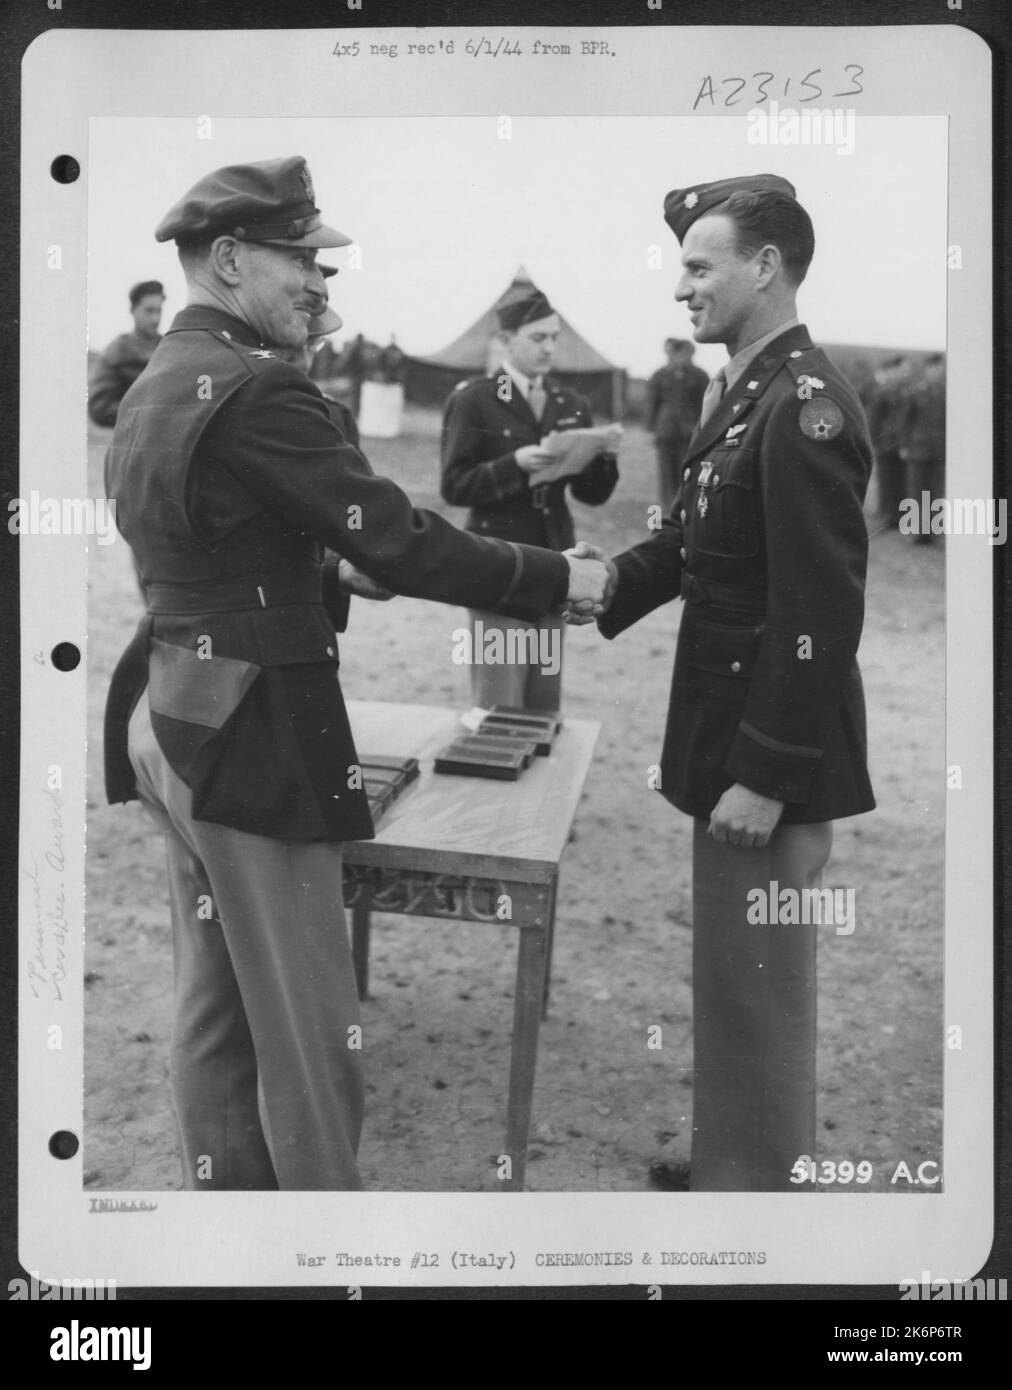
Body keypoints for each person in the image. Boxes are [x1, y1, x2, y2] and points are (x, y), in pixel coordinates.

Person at [102, 156, 611, 1192]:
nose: (322, 287)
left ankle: (228, 1221)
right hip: (250, 731)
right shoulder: (256, 386)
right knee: (310, 1030)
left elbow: (207, 533)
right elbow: (404, 539)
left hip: (168, 710)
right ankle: (319, 1244)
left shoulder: (162, 376)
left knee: (219, 1006)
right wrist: (562, 576)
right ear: (233, 258)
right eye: (306, 263)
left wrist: (322, 562)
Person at [579, 173, 875, 1191]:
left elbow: (818, 611)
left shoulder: (802, 407)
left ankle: (756, 1192)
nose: (680, 287)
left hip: (765, 755)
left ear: (766, 265)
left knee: (762, 984)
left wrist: (766, 771)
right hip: (728, 735)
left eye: (699, 265)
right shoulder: (744, 388)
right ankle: (732, 1157)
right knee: (730, 968)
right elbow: (699, 543)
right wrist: (607, 583)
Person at [440, 283, 619, 710]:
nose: (548, 348)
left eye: (554, 338)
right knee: (499, 702)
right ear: (505, 341)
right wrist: (514, 464)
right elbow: (455, 485)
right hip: (498, 562)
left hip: (556, 559)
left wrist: (604, 457)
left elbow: (591, 495)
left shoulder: (569, 402)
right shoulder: (475, 400)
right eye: (538, 338)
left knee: (544, 699)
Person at [88, 280, 166, 426]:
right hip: (131, 440)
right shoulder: (116, 353)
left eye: (159, 311)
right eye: (149, 311)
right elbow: (99, 407)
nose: (155, 319)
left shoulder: (169, 348)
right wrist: (144, 413)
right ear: (133, 310)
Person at [645, 338, 709, 512]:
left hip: (689, 433)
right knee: (666, 473)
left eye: (684, 353)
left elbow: (705, 404)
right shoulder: (659, 375)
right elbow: (652, 403)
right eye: (673, 352)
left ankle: (687, 506)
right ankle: (668, 508)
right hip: (665, 432)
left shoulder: (699, 375)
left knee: (688, 471)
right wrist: (651, 429)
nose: (678, 357)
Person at [900, 353, 946, 545]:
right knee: (917, 492)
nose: (936, 372)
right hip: (918, 450)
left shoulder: (947, 393)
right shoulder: (915, 392)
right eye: (932, 369)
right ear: (926, 371)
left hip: (939, 451)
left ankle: (934, 533)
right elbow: (905, 422)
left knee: (936, 493)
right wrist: (904, 445)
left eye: (939, 368)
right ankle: (918, 533)